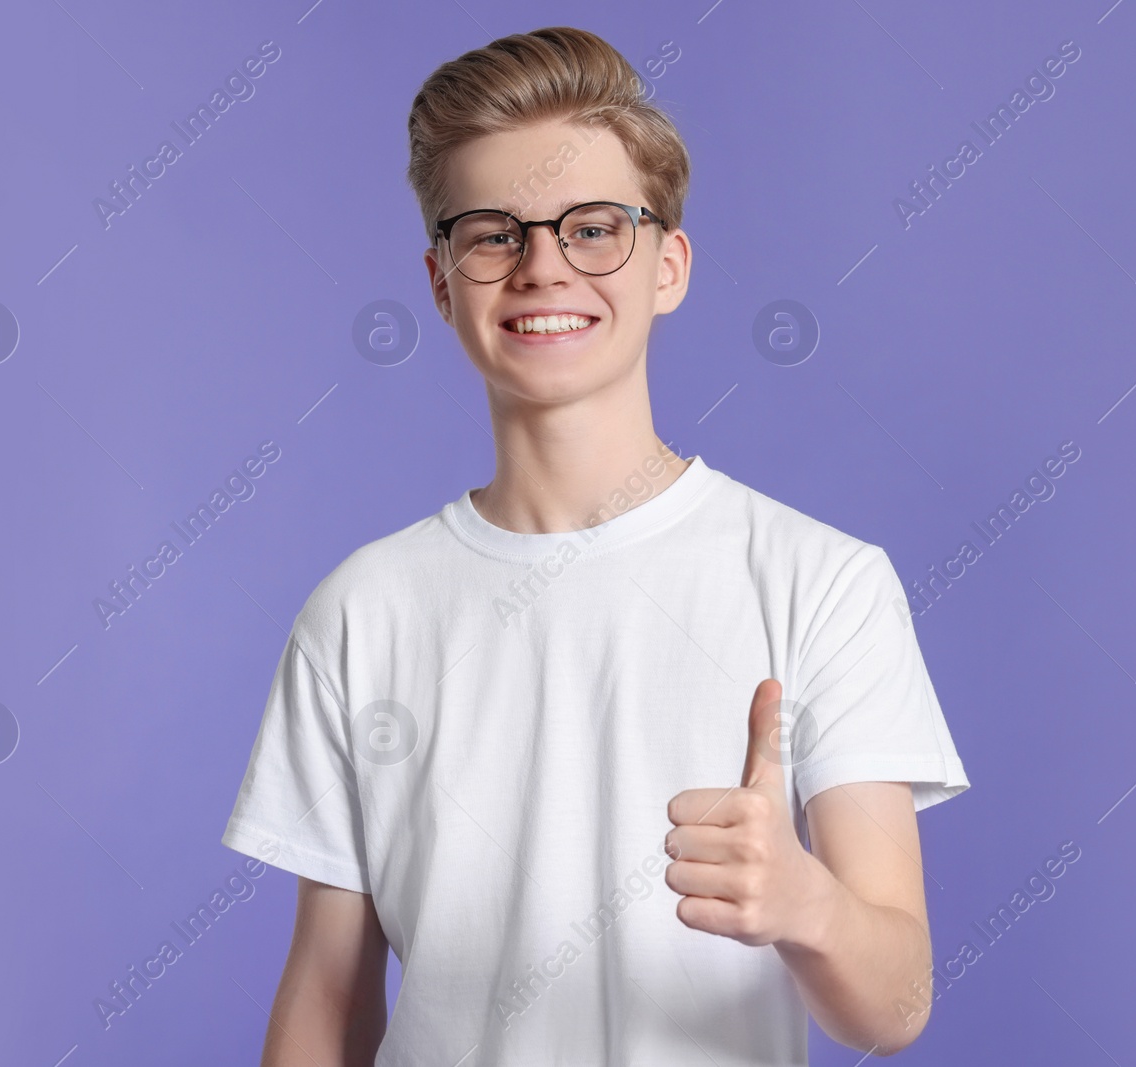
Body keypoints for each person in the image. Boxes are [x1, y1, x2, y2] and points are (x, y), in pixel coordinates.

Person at [221, 25, 969, 1066]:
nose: (541, 266)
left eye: (593, 228)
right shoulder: (360, 611)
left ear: (668, 265)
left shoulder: (821, 583)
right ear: (441, 282)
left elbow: (895, 1007)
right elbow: (326, 997)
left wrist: (806, 902)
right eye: (492, 233)